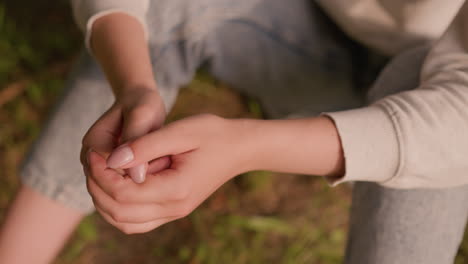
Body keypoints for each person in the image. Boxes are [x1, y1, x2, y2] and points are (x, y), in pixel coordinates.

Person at [1, 0, 468, 263]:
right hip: (307, 30)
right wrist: (134, 85)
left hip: (441, 103)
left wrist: (245, 147)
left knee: (416, 89)